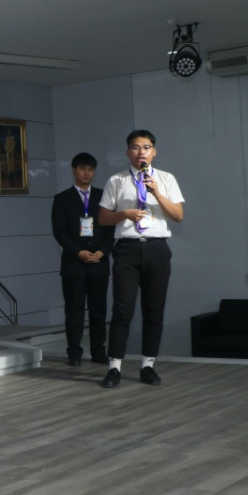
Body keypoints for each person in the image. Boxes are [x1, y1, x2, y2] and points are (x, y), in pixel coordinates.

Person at [96, 130, 185, 388]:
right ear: (128, 152)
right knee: (122, 309)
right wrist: (124, 214)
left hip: (157, 248)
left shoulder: (166, 179)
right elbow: (103, 218)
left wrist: (157, 193)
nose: (141, 152)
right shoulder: (117, 180)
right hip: (127, 248)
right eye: (135, 147)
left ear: (154, 152)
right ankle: (114, 368)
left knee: (154, 310)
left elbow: (178, 215)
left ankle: (148, 366)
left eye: (146, 147)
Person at [51, 152, 113, 367]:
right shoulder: (62, 199)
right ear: (74, 170)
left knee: (99, 310)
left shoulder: (104, 197)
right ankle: (74, 352)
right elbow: (59, 231)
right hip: (74, 263)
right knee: (74, 310)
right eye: (82, 168)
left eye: (90, 169)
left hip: (99, 262)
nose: (86, 173)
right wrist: (78, 252)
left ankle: (98, 351)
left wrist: (103, 252)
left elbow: (111, 231)